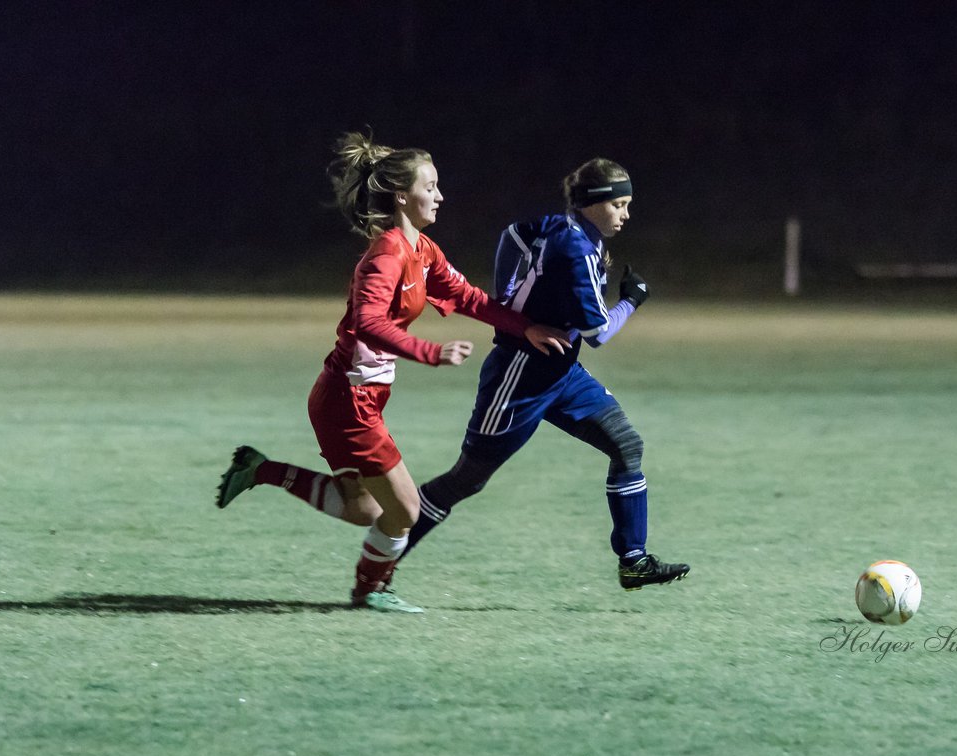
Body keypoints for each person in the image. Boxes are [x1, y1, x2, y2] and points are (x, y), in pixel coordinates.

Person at [215, 129, 570, 613]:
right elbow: (367, 322)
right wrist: (429, 351)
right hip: (348, 401)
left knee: (364, 509)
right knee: (404, 511)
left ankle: (261, 469)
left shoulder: (422, 250)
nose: (440, 196)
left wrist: (525, 327)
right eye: (431, 187)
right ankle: (370, 593)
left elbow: (467, 296)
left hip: (361, 397)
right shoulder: (386, 254)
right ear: (402, 195)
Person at [401, 158, 690, 590]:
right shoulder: (576, 249)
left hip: (562, 373)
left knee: (626, 446)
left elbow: (512, 235)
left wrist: (508, 296)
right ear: (594, 203)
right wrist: (632, 299)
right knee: (467, 478)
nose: (626, 215)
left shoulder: (560, 227)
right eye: (620, 205)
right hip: (520, 376)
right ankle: (383, 555)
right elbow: (598, 333)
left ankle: (634, 561)